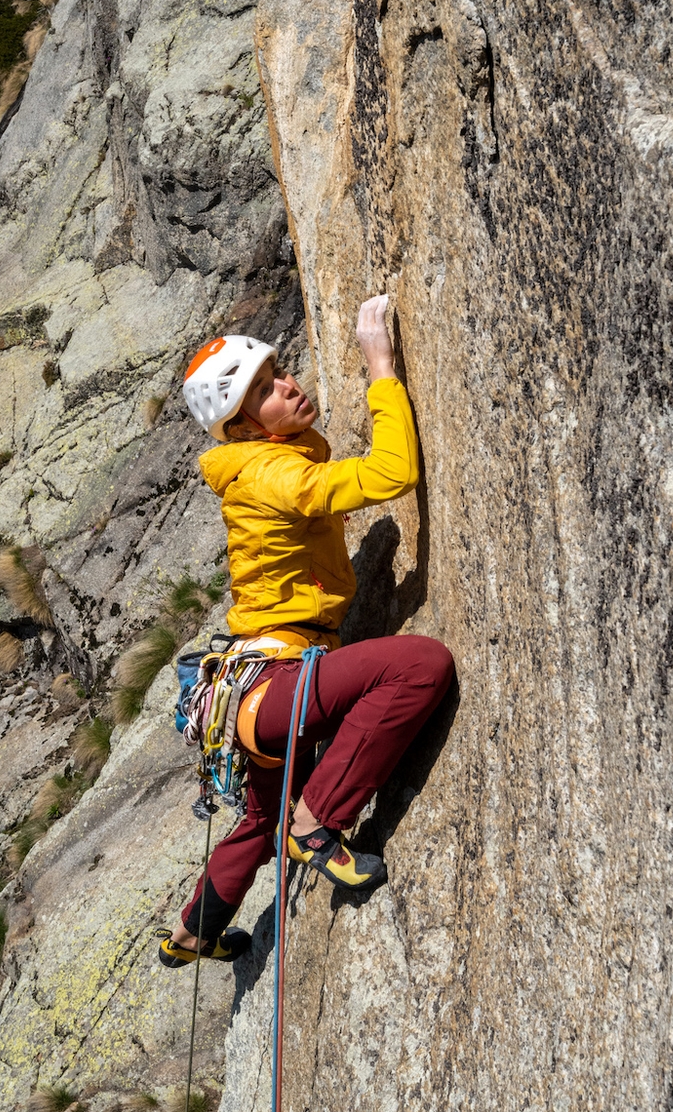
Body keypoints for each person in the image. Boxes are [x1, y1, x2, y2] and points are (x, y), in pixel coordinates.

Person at [159, 295, 454, 968]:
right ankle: (321, 824)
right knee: (420, 666)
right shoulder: (274, 473)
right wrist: (381, 366)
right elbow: (391, 475)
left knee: (263, 819)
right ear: (239, 428)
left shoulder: (263, 464)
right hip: (273, 684)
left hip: (249, 696)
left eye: (279, 373)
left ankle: (193, 933)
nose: (288, 387)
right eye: (263, 391)